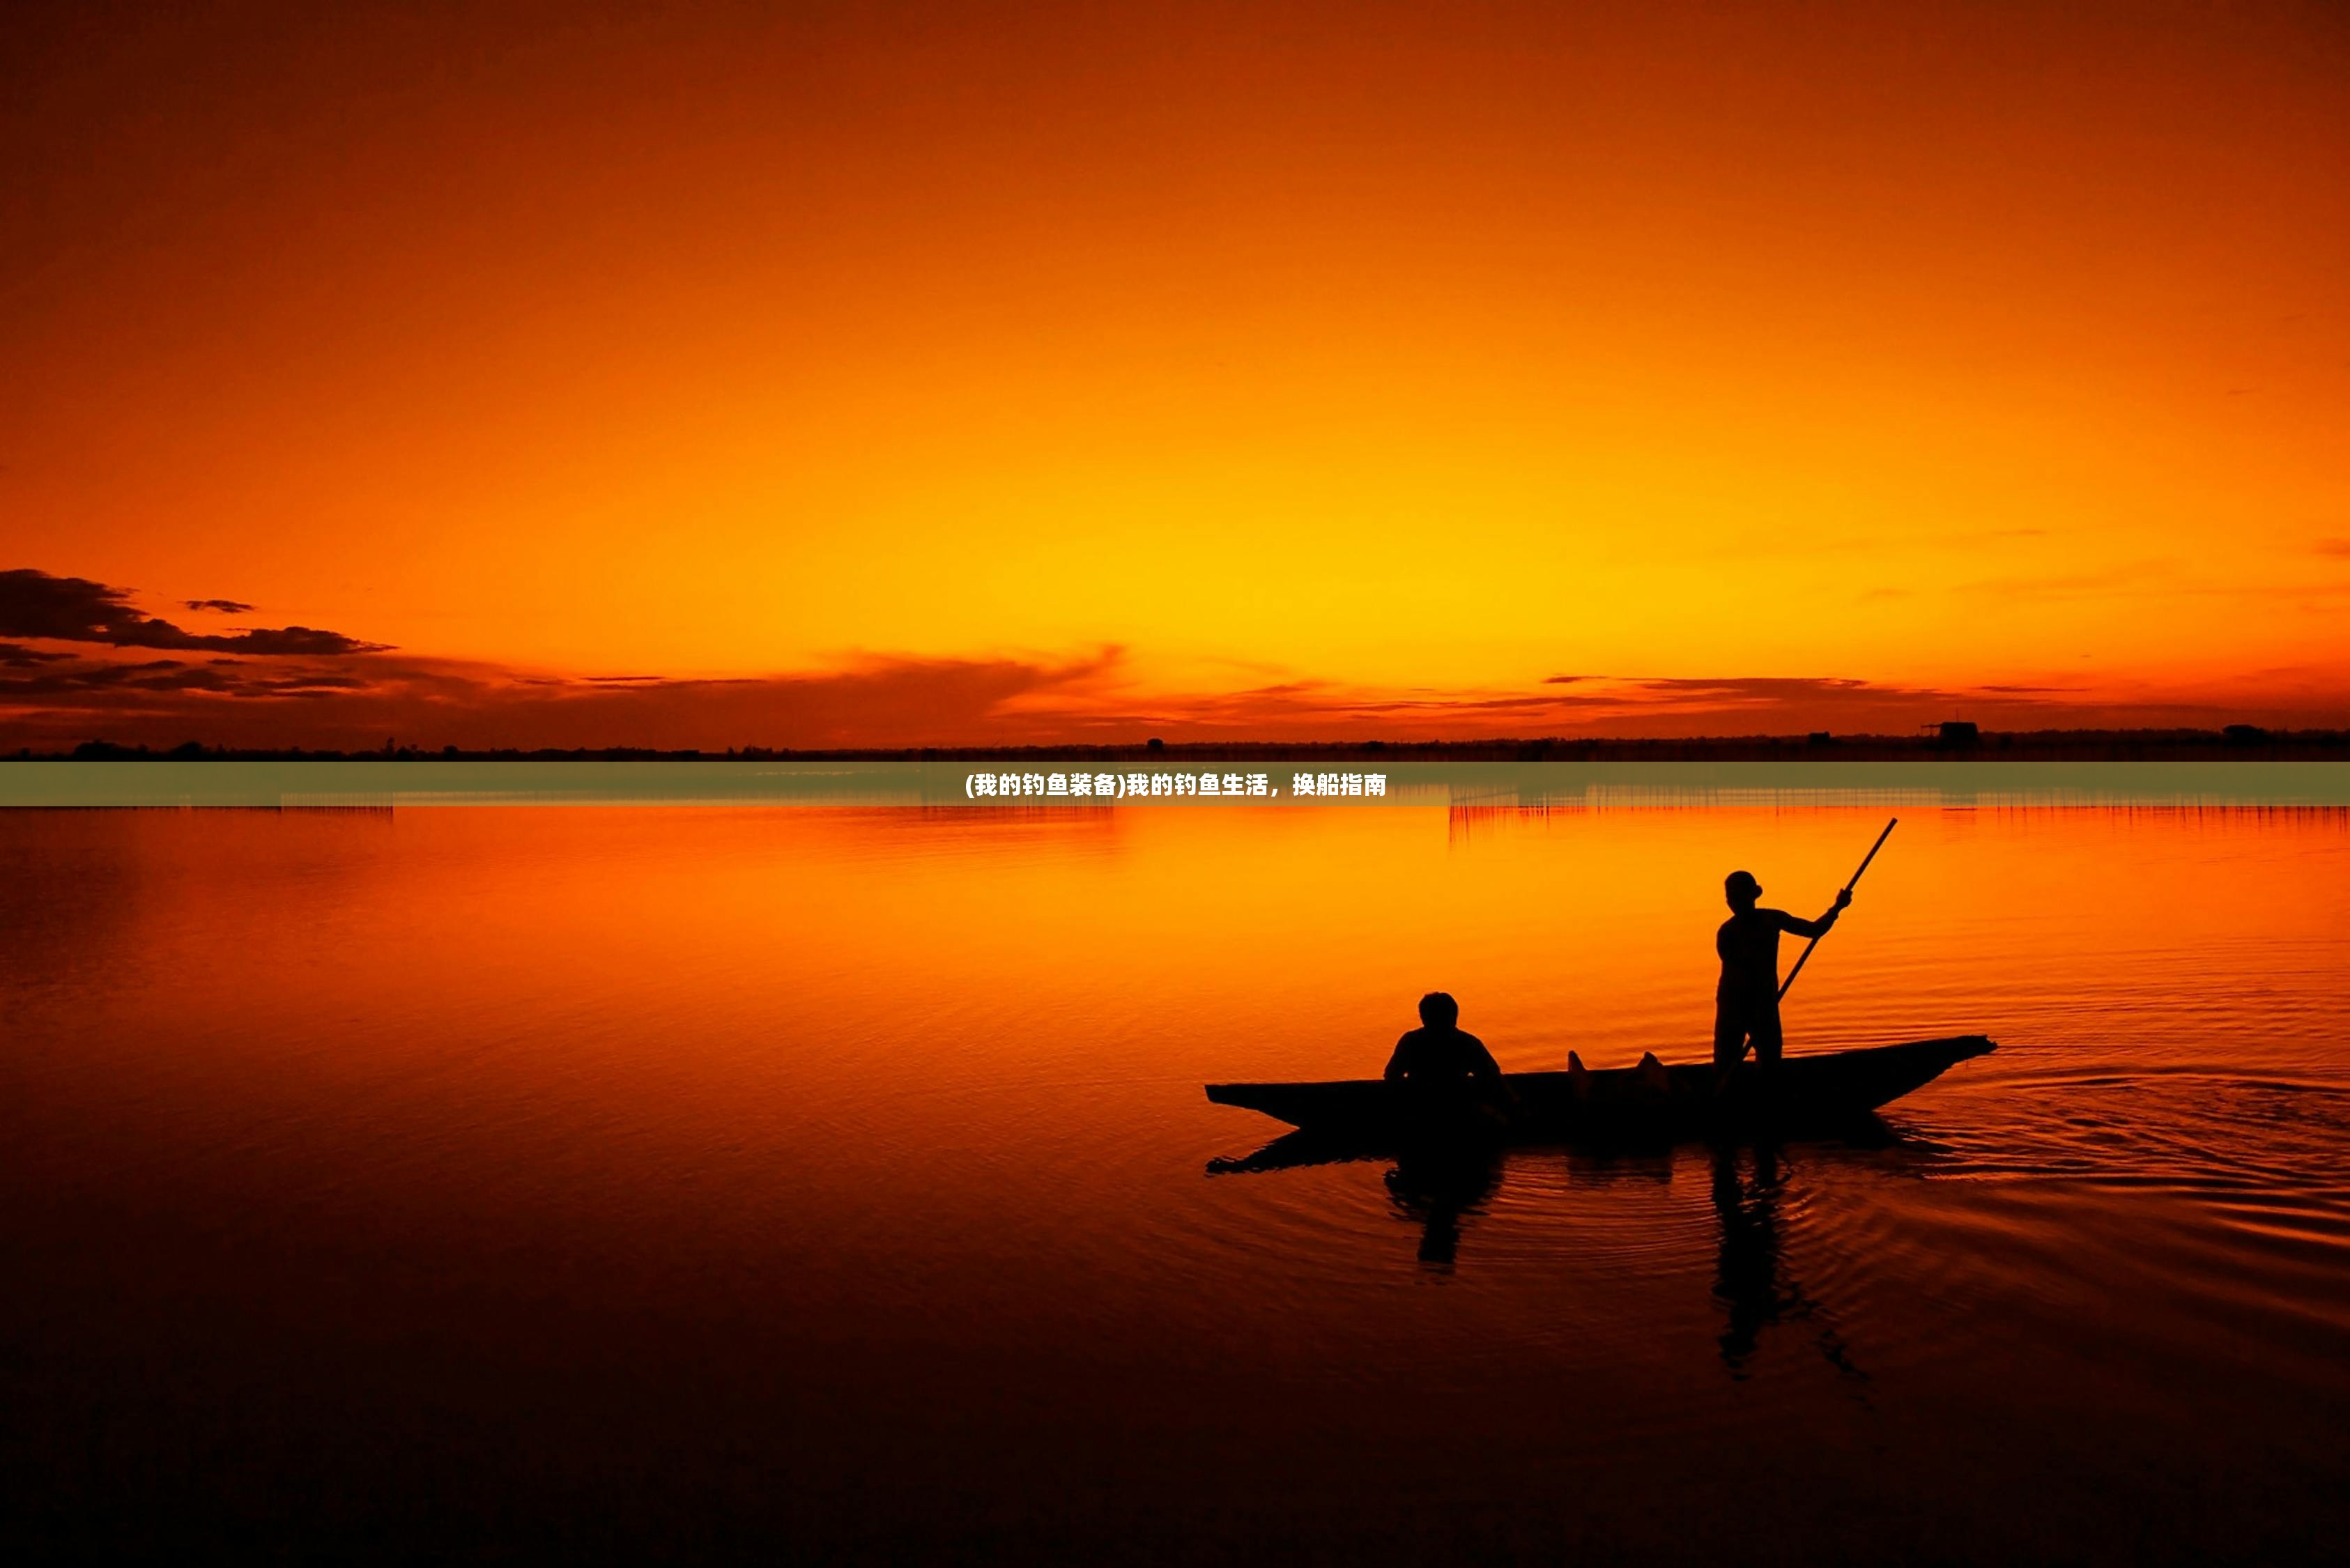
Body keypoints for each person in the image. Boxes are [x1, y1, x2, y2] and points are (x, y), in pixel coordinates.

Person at [1714, 871, 1850, 1074]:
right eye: (1731, 898)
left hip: (1763, 1001)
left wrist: (1837, 907)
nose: (1734, 902)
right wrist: (1758, 1003)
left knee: (1769, 1059)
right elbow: (1737, 972)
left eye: (1738, 897)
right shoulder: (1727, 932)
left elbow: (1814, 930)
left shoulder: (1772, 919)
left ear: (1752, 896)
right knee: (1726, 1062)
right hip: (1734, 1002)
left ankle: (1762, 1093)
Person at [1383, 992, 1503, 1097]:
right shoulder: (1468, 1043)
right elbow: (1491, 1074)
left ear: (1423, 1017)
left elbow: (1392, 1074)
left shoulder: (1410, 1041)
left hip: (1418, 1106)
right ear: (1455, 1015)